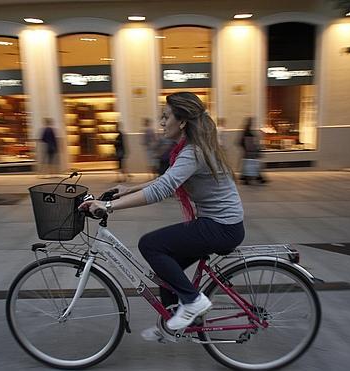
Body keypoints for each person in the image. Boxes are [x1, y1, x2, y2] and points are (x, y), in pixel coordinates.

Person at [79, 92, 245, 341]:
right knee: (167, 270)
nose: (161, 122)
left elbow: (162, 190)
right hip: (219, 224)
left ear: (183, 122)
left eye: (166, 117)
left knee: (151, 244)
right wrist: (129, 189)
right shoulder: (192, 149)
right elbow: (167, 180)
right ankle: (175, 322)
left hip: (221, 227)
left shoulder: (194, 152)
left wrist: (108, 206)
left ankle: (193, 302)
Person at [239, 117, 267, 185]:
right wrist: (257, 149)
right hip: (250, 153)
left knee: (250, 165)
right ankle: (258, 178)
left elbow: (241, 142)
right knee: (253, 165)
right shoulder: (249, 133)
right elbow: (250, 143)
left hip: (248, 152)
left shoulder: (246, 131)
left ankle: (249, 178)